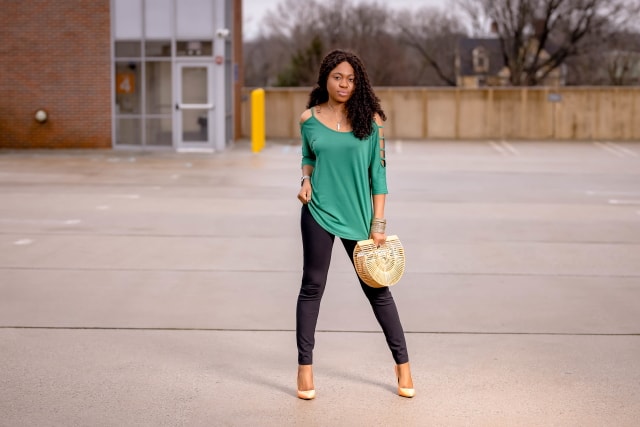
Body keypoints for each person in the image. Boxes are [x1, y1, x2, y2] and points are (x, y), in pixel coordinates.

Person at [295, 49, 414, 400]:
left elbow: (379, 175)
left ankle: (403, 365)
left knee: (378, 290)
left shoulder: (371, 121)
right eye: (338, 77)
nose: (344, 84)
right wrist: (304, 180)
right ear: (326, 79)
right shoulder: (309, 119)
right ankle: (304, 368)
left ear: (357, 82)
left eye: (350, 78)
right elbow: (308, 156)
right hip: (317, 211)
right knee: (312, 286)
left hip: (360, 218)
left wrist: (379, 223)